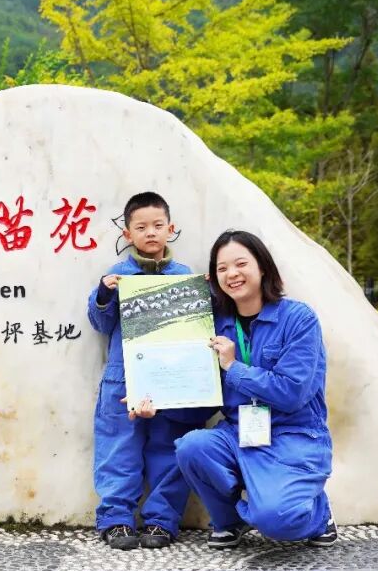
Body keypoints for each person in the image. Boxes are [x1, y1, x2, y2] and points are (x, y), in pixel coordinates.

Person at [176, 230, 338, 549]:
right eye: (222, 268)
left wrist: (233, 367)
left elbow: (292, 393)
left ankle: (318, 515)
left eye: (241, 264)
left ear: (262, 267)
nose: (232, 274)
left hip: (293, 436)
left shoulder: (298, 319)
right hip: (239, 434)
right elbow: (203, 397)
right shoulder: (216, 324)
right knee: (191, 447)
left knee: (277, 521)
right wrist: (155, 403)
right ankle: (229, 521)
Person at [87, 191, 204, 550]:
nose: (150, 232)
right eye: (141, 227)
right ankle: (116, 519)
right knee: (118, 448)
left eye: (157, 225)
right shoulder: (117, 275)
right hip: (123, 377)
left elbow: (193, 330)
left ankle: (161, 520)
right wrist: (103, 295)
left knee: (168, 447)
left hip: (171, 376)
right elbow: (100, 324)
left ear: (171, 228)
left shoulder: (184, 276)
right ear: (127, 233)